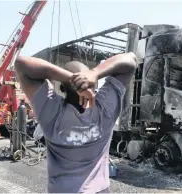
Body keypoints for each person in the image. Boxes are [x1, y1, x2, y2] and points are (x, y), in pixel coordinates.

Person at [14, 52, 137, 193]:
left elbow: (21, 64)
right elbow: (130, 60)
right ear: (93, 83)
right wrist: (94, 73)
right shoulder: (105, 108)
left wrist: (71, 79)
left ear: (62, 88)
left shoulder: (50, 110)